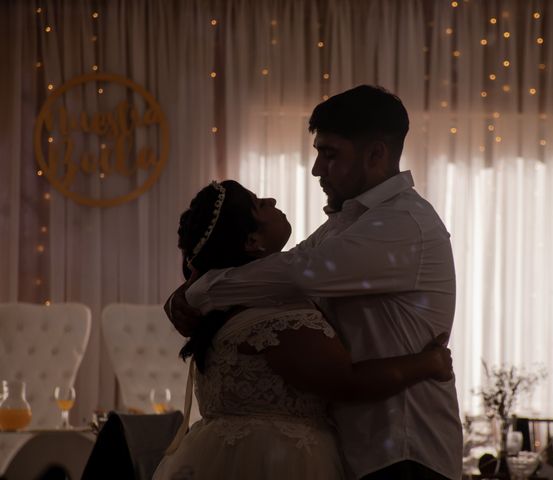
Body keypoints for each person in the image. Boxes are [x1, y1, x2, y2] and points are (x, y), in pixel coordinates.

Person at [166, 85, 462, 479]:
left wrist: (197, 291)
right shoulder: (347, 223)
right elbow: (280, 271)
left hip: (405, 450)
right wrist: (189, 290)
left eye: (330, 154)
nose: (317, 169)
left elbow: (297, 272)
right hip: (365, 450)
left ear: (376, 154)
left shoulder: (402, 223)